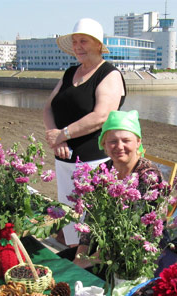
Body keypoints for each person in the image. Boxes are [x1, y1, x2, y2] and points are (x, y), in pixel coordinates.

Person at [43, 18, 126, 247]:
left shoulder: (109, 74)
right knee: (69, 220)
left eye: (84, 41)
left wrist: (64, 135)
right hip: (63, 161)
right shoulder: (70, 73)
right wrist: (54, 135)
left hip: (94, 164)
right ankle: (73, 262)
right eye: (75, 42)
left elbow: (101, 116)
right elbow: (49, 107)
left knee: (91, 225)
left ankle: (89, 270)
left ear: (98, 44)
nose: (78, 46)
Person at [73, 110, 162, 269]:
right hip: (104, 248)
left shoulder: (149, 177)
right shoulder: (102, 172)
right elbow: (91, 217)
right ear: (104, 145)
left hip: (137, 254)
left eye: (126, 140)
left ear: (138, 142)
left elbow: (138, 232)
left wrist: (89, 261)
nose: (119, 147)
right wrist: (81, 255)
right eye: (112, 141)